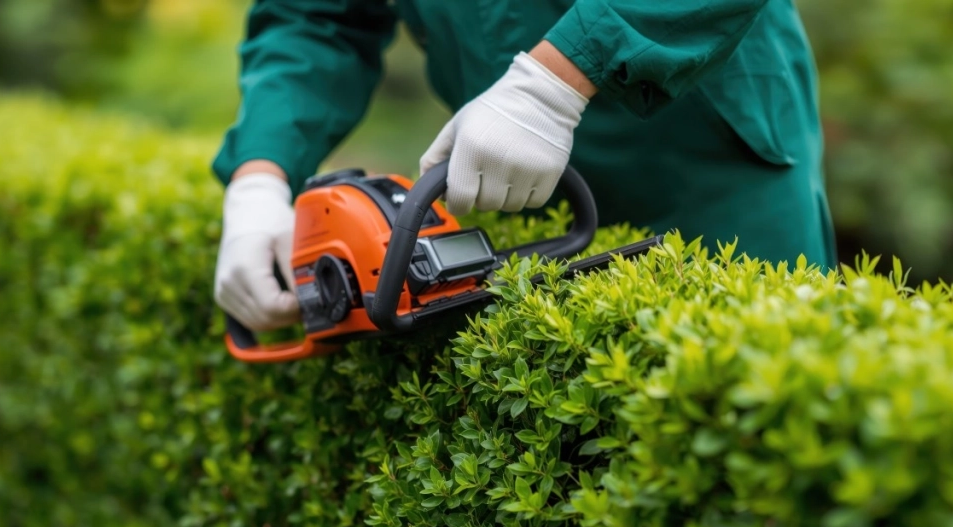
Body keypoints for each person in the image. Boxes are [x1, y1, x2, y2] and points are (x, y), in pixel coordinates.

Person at [212, 0, 838, 332]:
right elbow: (316, 16)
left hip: (706, 158)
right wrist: (260, 177)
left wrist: (554, 82)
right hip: (506, 175)